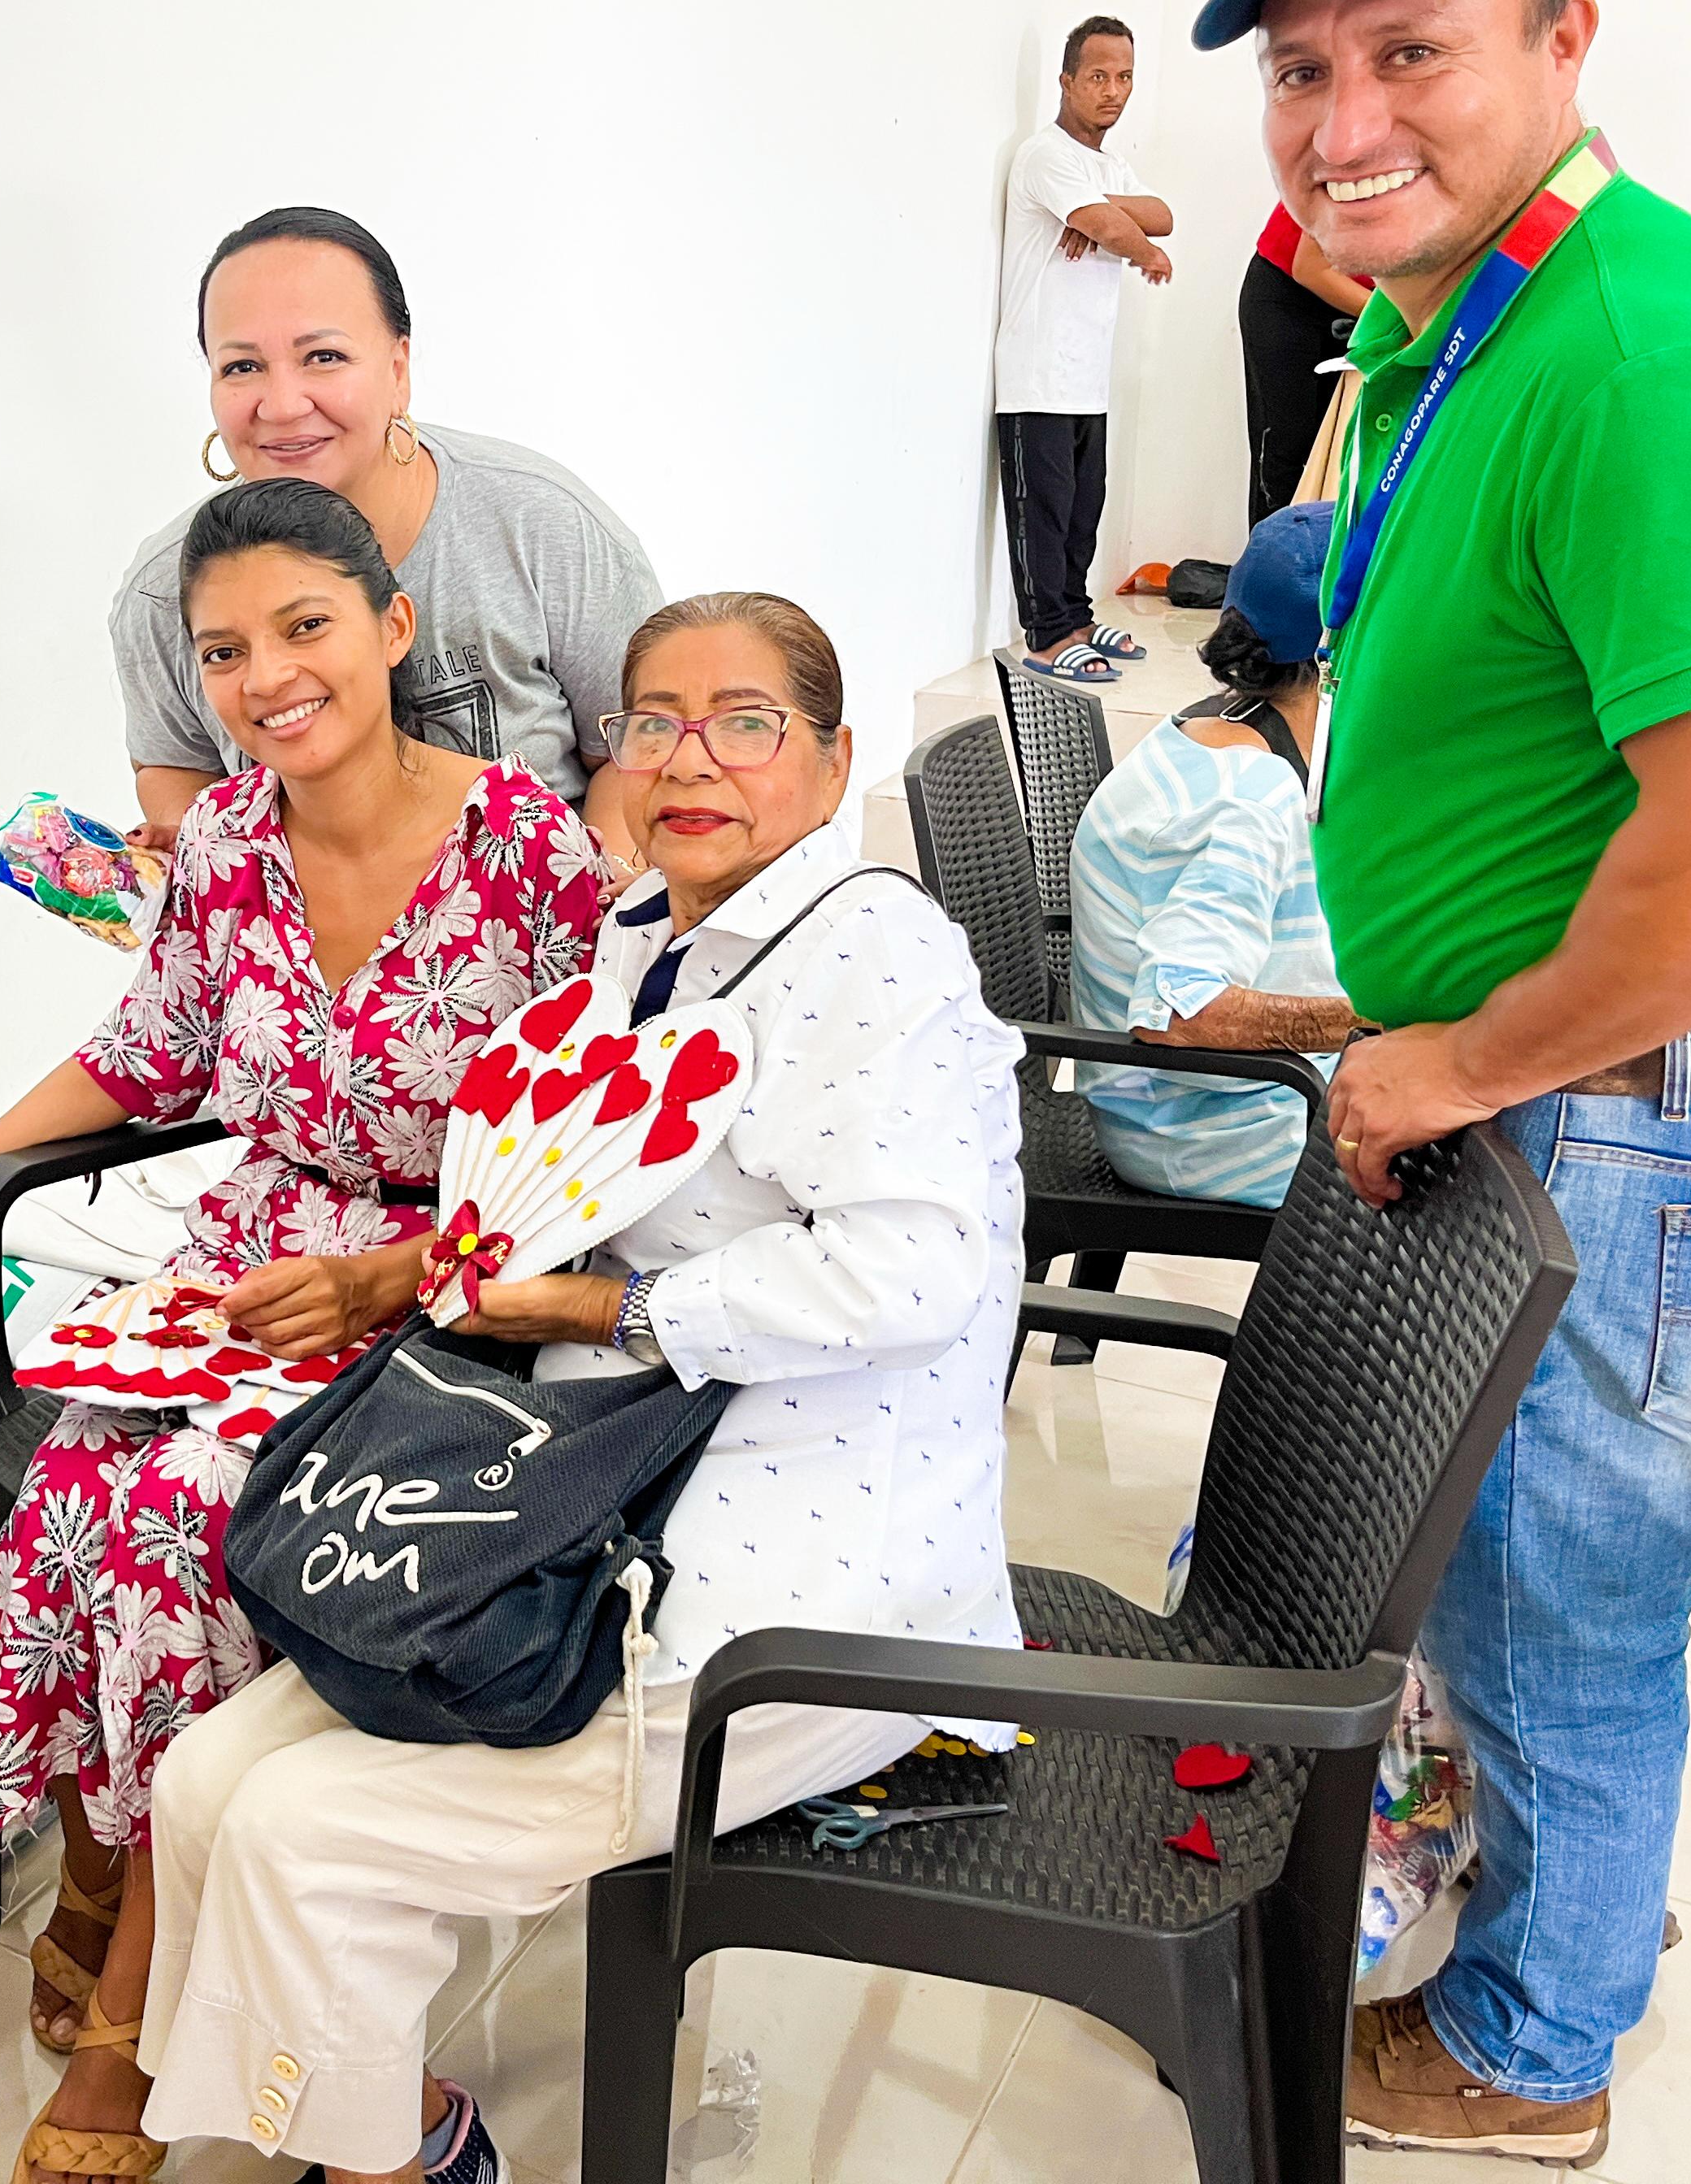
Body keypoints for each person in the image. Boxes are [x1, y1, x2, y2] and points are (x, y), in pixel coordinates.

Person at [1194, 0, 1691, 2164]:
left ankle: (1535, 2044)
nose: (1342, 123)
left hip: (1633, 1114)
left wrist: (1463, 1055)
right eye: (1300, 70)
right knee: (1509, 1596)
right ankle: (1572, 1911)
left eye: (1413, 53)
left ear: (1568, 36)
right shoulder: (1455, 318)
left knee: (1569, 1610)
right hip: (1563, 1084)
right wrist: (1374, 1014)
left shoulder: (1650, 353)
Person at [131, 592, 1026, 2183]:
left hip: (793, 1585)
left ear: (831, 763)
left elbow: (922, 1266)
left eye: (745, 723)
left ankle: (396, 2164)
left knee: (300, 1832)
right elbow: (556, 1184)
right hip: (584, 1508)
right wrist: (440, 1269)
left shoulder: (873, 956)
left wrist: (617, 1305)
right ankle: (379, 2128)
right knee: (205, 1777)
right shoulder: (640, 939)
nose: (691, 758)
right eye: (654, 720)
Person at [0, 479, 609, 2183]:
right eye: (224, 652)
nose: (265, 677)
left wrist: (401, 1270)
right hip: (244, 1269)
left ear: (393, 626)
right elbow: (142, 1052)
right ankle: (114, 1870)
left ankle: (136, 2004)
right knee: (63, 1511)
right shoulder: (229, 841)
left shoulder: (531, 848)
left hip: (450, 1298)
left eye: (304, 627)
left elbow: (592, 1160)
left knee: (179, 1524)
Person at [111, 206, 662, 858]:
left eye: (324, 356)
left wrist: (588, 897)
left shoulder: (543, 527)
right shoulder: (166, 590)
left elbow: (641, 746)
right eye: (242, 367)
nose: (282, 406)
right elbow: (176, 765)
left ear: (398, 370)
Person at [1068, 501, 1360, 1207]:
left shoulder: (1218, 724)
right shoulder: (1250, 793)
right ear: (1342, 656)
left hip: (1205, 1108)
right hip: (1217, 1136)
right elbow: (1180, 1009)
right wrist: (1368, 1022)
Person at [993, 15, 1176, 684]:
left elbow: (1161, 213)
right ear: (1066, 80)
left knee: (1080, 515)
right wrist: (1135, 244)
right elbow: (1114, 225)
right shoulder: (1045, 154)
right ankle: (1045, 638)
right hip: (1036, 376)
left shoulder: (1106, 166)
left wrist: (1105, 214)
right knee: (1041, 516)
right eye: (1098, 76)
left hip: (1087, 379)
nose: (1113, 90)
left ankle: (1075, 620)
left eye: (1124, 77)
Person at [1240, 202, 1372, 522]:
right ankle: (1273, 552)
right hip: (1288, 293)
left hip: (1365, 301)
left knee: (1339, 450)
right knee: (1286, 448)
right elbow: (1310, 270)